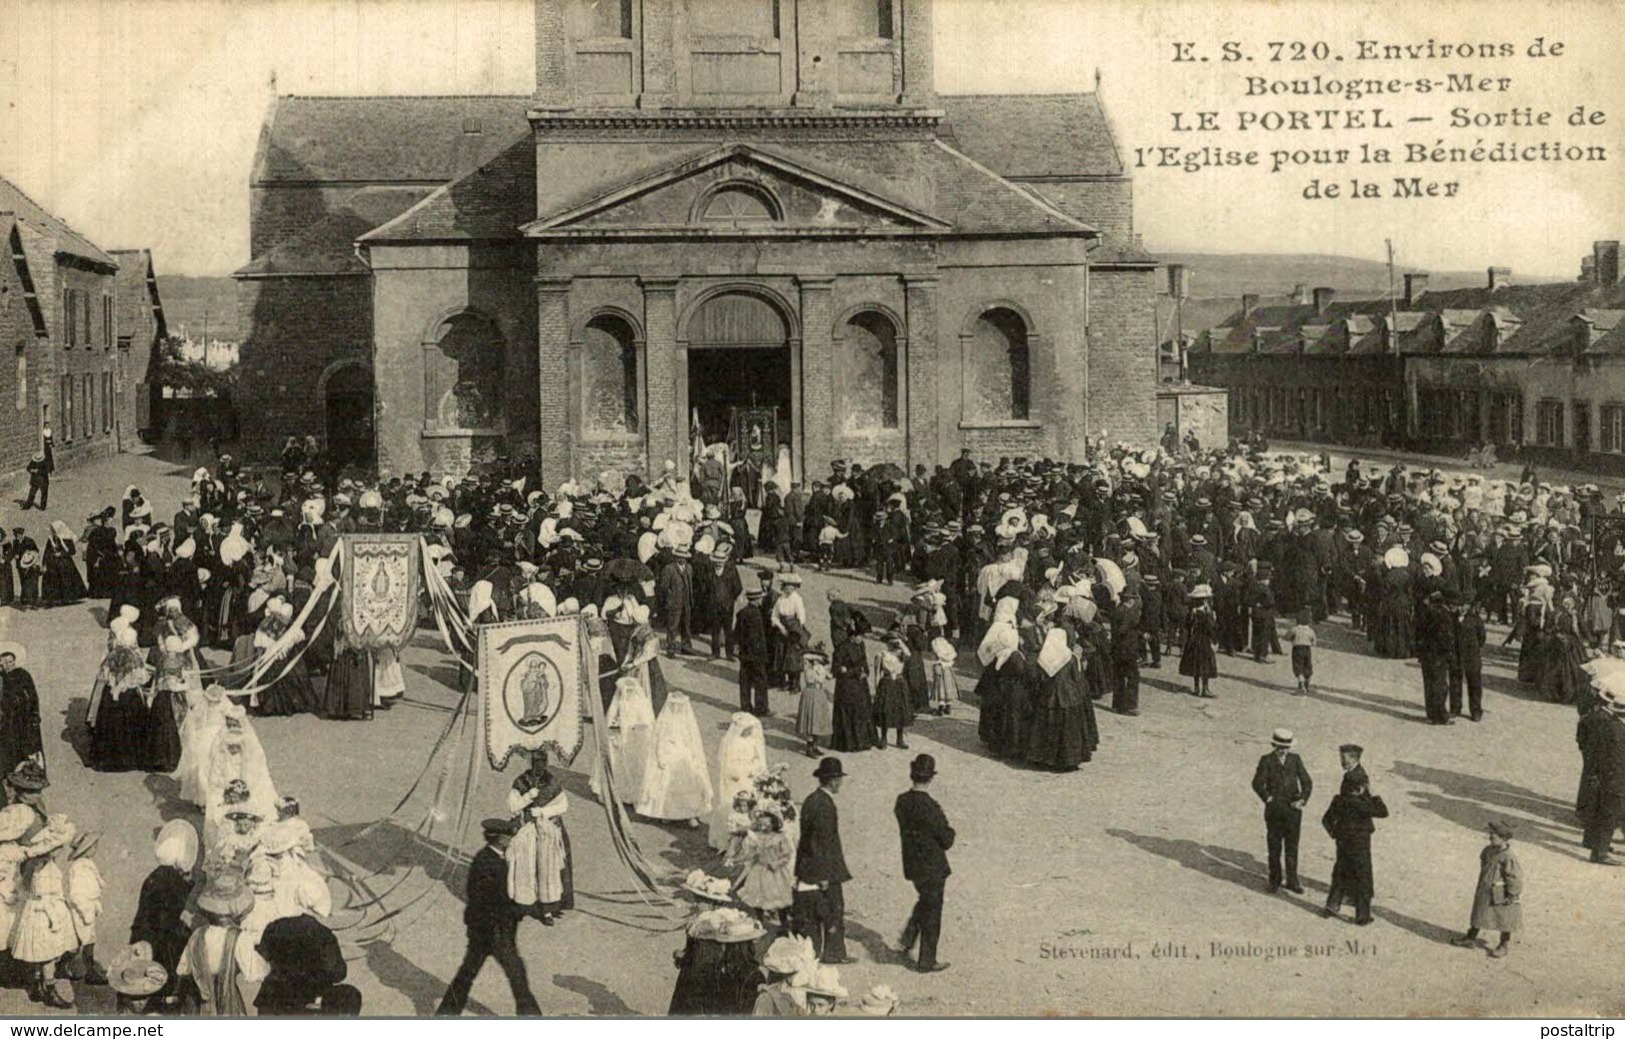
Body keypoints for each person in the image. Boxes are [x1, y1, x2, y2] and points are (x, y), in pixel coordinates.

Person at [437, 817, 541, 1016]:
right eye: (510, 836)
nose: (512, 838)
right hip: (494, 930)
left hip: (485, 929)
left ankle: (446, 1014)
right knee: (516, 974)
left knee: (467, 973)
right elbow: (495, 900)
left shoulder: (495, 858)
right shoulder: (487, 862)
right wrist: (526, 910)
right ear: (500, 839)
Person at [174, 869, 268, 1016]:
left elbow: (182, 970)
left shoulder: (197, 935)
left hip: (197, 1005)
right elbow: (255, 973)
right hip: (227, 1003)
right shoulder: (238, 939)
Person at [894, 753, 954, 974]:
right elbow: (946, 839)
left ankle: (908, 938)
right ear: (930, 778)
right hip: (933, 866)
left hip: (912, 864)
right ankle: (927, 961)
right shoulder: (930, 806)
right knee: (932, 911)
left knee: (925, 900)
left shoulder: (901, 801)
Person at [130, 820, 199, 1002]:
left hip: (145, 929)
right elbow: (181, 907)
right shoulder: (175, 882)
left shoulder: (153, 877)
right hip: (165, 935)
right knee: (167, 967)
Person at [794, 757, 853, 965]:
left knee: (817, 911)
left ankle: (827, 952)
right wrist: (824, 875)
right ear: (834, 781)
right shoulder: (825, 806)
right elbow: (820, 842)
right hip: (823, 868)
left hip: (809, 866)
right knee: (832, 911)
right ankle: (833, 953)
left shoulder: (812, 799)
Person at [1321, 745, 1388, 925]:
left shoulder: (1351, 782)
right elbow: (1382, 811)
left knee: (1341, 869)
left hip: (1344, 834)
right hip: (1358, 836)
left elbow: (1336, 810)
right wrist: (1374, 795)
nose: (1342, 761)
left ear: (1354, 758)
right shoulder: (1358, 780)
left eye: (1344, 759)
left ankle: (1332, 905)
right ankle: (1362, 915)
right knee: (1362, 875)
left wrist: (1335, 832)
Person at [506, 751, 574, 925]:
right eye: (537, 762)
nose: (540, 766)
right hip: (527, 829)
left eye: (543, 762)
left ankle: (547, 910)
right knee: (525, 867)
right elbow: (512, 806)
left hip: (546, 831)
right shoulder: (521, 781)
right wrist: (528, 797)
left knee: (547, 869)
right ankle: (524, 905)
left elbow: (563, 805)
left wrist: (543, 812)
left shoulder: (552, 781)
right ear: (531, 763)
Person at [636, 692, 714, 827]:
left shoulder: (687, 721)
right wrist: (661, 755)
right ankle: (667, 813)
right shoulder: (665, 720)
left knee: (688, 781)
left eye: (680, 706)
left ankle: (690, 814)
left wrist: (693, 755)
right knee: (666, 782)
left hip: (683, 754)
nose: (677, 709)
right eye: (674, 706)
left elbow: (693, 740)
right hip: (669, 752)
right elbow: (658, 738)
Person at [1251, 728, 1312, 895]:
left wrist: (1302, 800)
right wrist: (1267, 798)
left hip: (1293, 809)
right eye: (1279, 746)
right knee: (1274, 847)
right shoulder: (1266, 760)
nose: (1283, 750)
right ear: (1273, 745)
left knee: (1292, 847)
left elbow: (1307, 782)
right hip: (1274, 810)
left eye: (1286, 747)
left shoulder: (1295, 759)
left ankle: (1292, 881)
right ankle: (1275, 880)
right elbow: (1256, 782)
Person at [1449, 820, 1522, 958]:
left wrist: (1512, 894)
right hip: (1485, 889)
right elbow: (1484, 861)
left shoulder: (1508, 856)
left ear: (1504, 838)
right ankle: (1470, 938)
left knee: (1505, 918)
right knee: (1479, 913)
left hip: (1501, 893)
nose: (1490, 837)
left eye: (1493, 836)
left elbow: (1515, 877)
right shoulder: (1488, 850)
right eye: (1489, 834)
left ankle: (1503, 944)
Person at [710, 713, 768, 851]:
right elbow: (727, 763)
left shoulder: (752, 741)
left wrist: (755, 769)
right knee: (732, 806)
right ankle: (727, 839)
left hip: (749, 778)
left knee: (751, 806)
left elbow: (757, 758)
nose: (750, 731)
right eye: (747, 729)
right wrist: (738, 771)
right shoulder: (731, 743)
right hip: (735, 779)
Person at [0, 643, 44, 794]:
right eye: (4, 663)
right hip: (7, 718)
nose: (7, 665)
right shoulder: (1, 678)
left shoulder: (23, 674)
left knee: (25, 744)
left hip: (23, 717)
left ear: (15, 661)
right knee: (9, 745)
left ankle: (27, 776)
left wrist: (34, 714)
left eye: (10, 662)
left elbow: (32, 695)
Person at [734, 588, 771, 716]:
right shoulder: (756, 614)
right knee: (760, 680)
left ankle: (745, 706)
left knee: (745, 680)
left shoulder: (741, 613)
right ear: (756, 600)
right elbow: (757, 637)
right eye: (760, 598)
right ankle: (761, 708)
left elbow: (736, 633)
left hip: (744, 654)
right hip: (756, 654)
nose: (761, 600)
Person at [795, 646, 835, 758]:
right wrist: (816, 656)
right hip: (810, 691)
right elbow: (804, 656)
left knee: (817, 720)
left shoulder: (821, 668)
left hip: (819, 692)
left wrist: (826, 664)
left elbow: (830, 676)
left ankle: (815, 745)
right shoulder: (807, 666)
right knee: (810, 719)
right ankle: (809, 747)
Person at [1180, 585, 1218, 698]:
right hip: (1204, 641)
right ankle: (1205, 688)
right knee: (1205, 665)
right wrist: (1215, 641)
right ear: (1205, 600)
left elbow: (1186, 625)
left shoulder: (1192, 612)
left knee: (1195, 664)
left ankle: (1196, 688)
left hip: (1193, 640)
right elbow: (1211, 628)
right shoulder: (1206, 614)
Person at [1454, 597, 1487, 721]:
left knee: (1474, 683)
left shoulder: (1475, 620)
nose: (1461, 608)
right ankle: (1455, 708)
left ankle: (1476, 710)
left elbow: (1482, 637)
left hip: (1472, 655)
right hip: (1457, 654)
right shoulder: (1452, 618)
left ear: (1469, 606)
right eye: (1459, 605)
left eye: (1464, 605)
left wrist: (1474, 648)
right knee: (1455, 681)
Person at [1289, 608, 1316, 695]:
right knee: (1307, 665)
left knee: (1298, 666)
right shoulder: (1310, 631)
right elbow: (1314, 642)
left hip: (1297, 649)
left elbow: (1287, 636)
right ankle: (1307, 683)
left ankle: (1301, 684)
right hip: (1307, 649)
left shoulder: (1295, 629)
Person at [23, 437, 52, 510]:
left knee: (44, 494)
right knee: (32, 493)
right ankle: (27, 506)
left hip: (43, 480)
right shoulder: (33, 461)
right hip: (35, 480)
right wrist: (32, 470)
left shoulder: (45, 462)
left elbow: (46, 470)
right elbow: (28, 468)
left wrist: (37, 471)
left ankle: (42, 507)